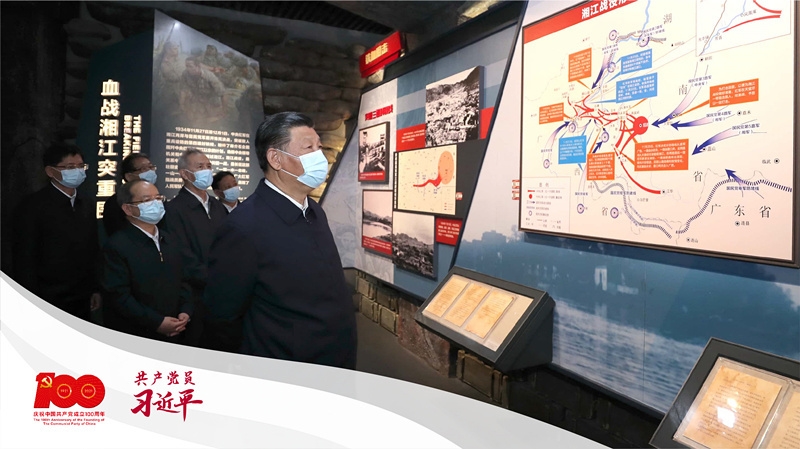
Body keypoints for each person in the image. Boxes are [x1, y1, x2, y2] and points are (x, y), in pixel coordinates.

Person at [203, 112, 357, 369]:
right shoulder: (244, 227)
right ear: (275, 158)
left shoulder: (314, 211)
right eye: (308, 148)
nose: (319, 156)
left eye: (319, 147)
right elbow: (222, 315)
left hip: (335, 360)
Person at [12, 143, 101, 320]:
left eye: (81, 166)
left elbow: (92, 248)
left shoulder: (86, 203)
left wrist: (95, 288)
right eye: (70, 167)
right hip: (47, 296)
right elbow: (24, 257)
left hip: (82, 295)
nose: (77, 171)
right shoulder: (33, 206)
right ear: (50, 171)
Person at [101, 180, 193, 342]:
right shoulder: (117, 245)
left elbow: (184, 278)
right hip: (136, 335)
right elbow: (118, 296)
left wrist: (185, 310)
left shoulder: (170, 239)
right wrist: (157, 322)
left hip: (176, 328)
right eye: (147, 200)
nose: (156, 203)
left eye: (158, 198)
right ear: (128, 208)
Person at [160, 148, 226, 345]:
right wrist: (211, 279)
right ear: (184, 174)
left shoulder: (218, 206)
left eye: (209, 166)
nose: (207, 171)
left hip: (224, 292)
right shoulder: (174, 210)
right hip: (194, 296)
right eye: (200, 167)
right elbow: (181, 254)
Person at [103, 153, 157, 237]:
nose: (150, 171)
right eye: (144, 169)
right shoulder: (115, 203)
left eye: (151, 167)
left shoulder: (156, 199)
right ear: (129, 176)